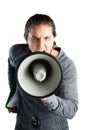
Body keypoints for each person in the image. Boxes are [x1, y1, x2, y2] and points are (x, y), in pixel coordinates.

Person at [6, 13, 78, 130]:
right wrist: (14, 96)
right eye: (35, 38)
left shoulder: (66, 66)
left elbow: (71, 110)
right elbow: (11, 64)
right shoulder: (17, 52)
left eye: (47, 38)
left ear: (54, 37)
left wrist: (48, 97)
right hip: (22, 125)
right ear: (26, 39)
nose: (40, 47)